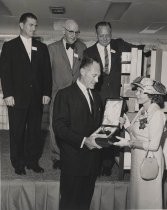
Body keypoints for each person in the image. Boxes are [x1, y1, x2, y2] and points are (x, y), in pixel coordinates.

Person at [84, 21, 138, 176]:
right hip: (97, 97)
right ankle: (95, 162)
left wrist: (145, 49)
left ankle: (107, 165)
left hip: (115, 98)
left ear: (111, 32)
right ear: (96, 35)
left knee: (112, 132)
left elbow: (135, 49)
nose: (105, 38)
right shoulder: (89, 52)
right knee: (96, 130)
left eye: (108, 35)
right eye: (101, 35)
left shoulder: (119, 46)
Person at [52, 57, 107, 210]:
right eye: (94, 75)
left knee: (84, 204)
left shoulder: (96, 96)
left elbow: (98, 126)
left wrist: (113, 125)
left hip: (92, 163)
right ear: (82, 71)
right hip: (73, 163)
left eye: (99, 76)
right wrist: (84, 141)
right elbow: (59, 127)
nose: (97, 80)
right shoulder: (64, 94)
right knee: (69, 204)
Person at [0, 13, 52, 175]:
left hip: (36, 98)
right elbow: (5, 72)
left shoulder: (42, 47)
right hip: (16, 99)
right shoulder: (9, 46)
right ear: (21, 25)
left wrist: (46, 92)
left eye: (35, 25)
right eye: (31, 25)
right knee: (17, 132)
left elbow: (46, 73)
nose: (34, 28)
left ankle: (32, 161)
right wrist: (7, 94)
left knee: (35, 132)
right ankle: (18, 163)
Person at [114, 76, 167, 209]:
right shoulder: (143, 110)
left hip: (150, 160)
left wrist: (129, 143)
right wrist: (125, 123)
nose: (136, 93)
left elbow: (154, 146)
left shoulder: (157, 114)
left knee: (148, 199)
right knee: (137, 198)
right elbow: (135, 132)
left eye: (139, 91)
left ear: (150, 95)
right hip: (138, 159)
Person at [48, 19, 86, 169]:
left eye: (77, 32)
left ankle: (72, 155)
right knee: (55, 127)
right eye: (71, 31)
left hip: (76, 96)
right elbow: (47, 74)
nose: (74, 35)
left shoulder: (82, 48)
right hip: (57, 94)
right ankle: (56, 157)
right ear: (63, 31)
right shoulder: (52, 48)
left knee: (74, 127)